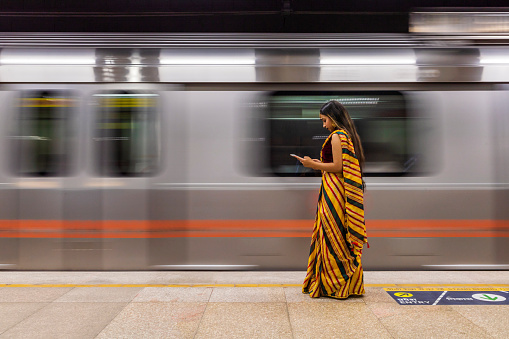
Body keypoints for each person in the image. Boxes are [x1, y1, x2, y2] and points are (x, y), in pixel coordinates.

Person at [292, 100, 367, 299]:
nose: (323, 125)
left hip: (333, 191)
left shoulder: (337, 136)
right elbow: (336, 164)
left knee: (330, 235)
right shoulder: (346, 136)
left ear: (333, 118)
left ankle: (334, 284)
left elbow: (338, 167)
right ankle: (348, 285)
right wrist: (318, 163)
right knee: (338, 234)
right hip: (337, 189)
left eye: (324, 120)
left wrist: (312, 165)